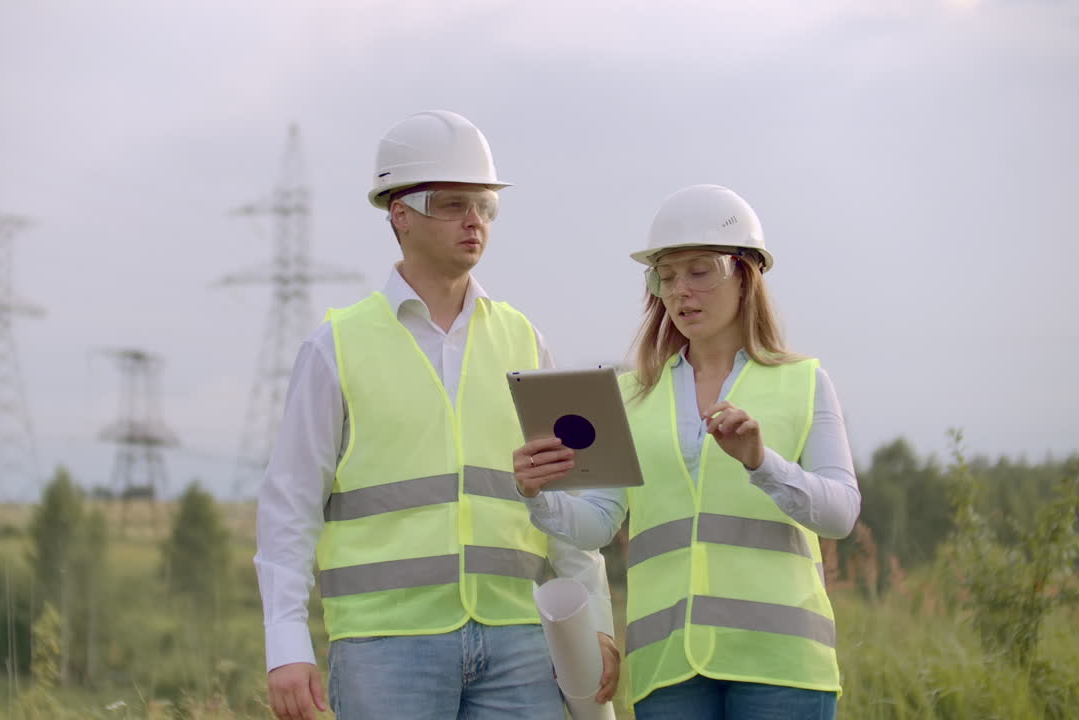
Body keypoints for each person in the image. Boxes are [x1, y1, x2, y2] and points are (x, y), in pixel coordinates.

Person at [255, 110, 619, 720]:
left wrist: (595, 620)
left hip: (521, 640)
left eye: (484, 205)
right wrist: (285, 645)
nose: (475, 220)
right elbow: (288, 506)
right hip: (385, 646)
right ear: (400, 212)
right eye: (452, 205)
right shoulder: (335, 346)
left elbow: (570, 495)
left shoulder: (525, 340)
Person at [514, 184, 860, 719]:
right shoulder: (632, 395)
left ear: (746, 274)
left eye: (699, 271)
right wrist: (540, 496)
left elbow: (839, 514)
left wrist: (760, 463)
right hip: (668, 669)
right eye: (666, 277)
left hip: (782, 666)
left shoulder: (805, 382)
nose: (679, 292)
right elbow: (601, 523)